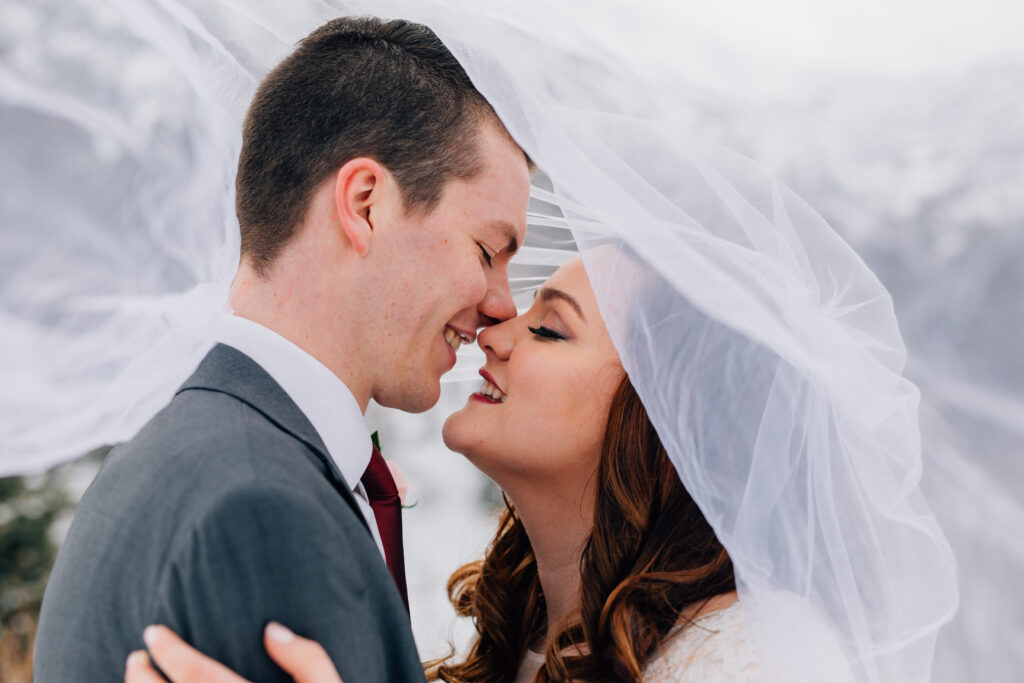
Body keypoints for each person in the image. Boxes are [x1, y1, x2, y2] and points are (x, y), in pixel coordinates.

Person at [33, 16, 530, 683]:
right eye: (487, 250)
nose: (504, 304)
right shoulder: (261, 509)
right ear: (366, 204)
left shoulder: (182, 443)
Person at [125, 256, 768, 683]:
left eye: (548, 328)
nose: (493, 333)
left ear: (660, 418)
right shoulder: (524, 639)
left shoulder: (741, 660)